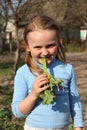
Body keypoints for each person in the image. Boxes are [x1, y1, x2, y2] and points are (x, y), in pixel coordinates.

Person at [11, 15, 84, 130]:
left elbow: (74, 100)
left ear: (58, 42)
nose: (44, 53)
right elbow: (18, 112)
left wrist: (78, 126)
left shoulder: (67, 69)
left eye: (50, 46)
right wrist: (34, 94)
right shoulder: (23, 73)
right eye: (38, 47)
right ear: (27, 47)